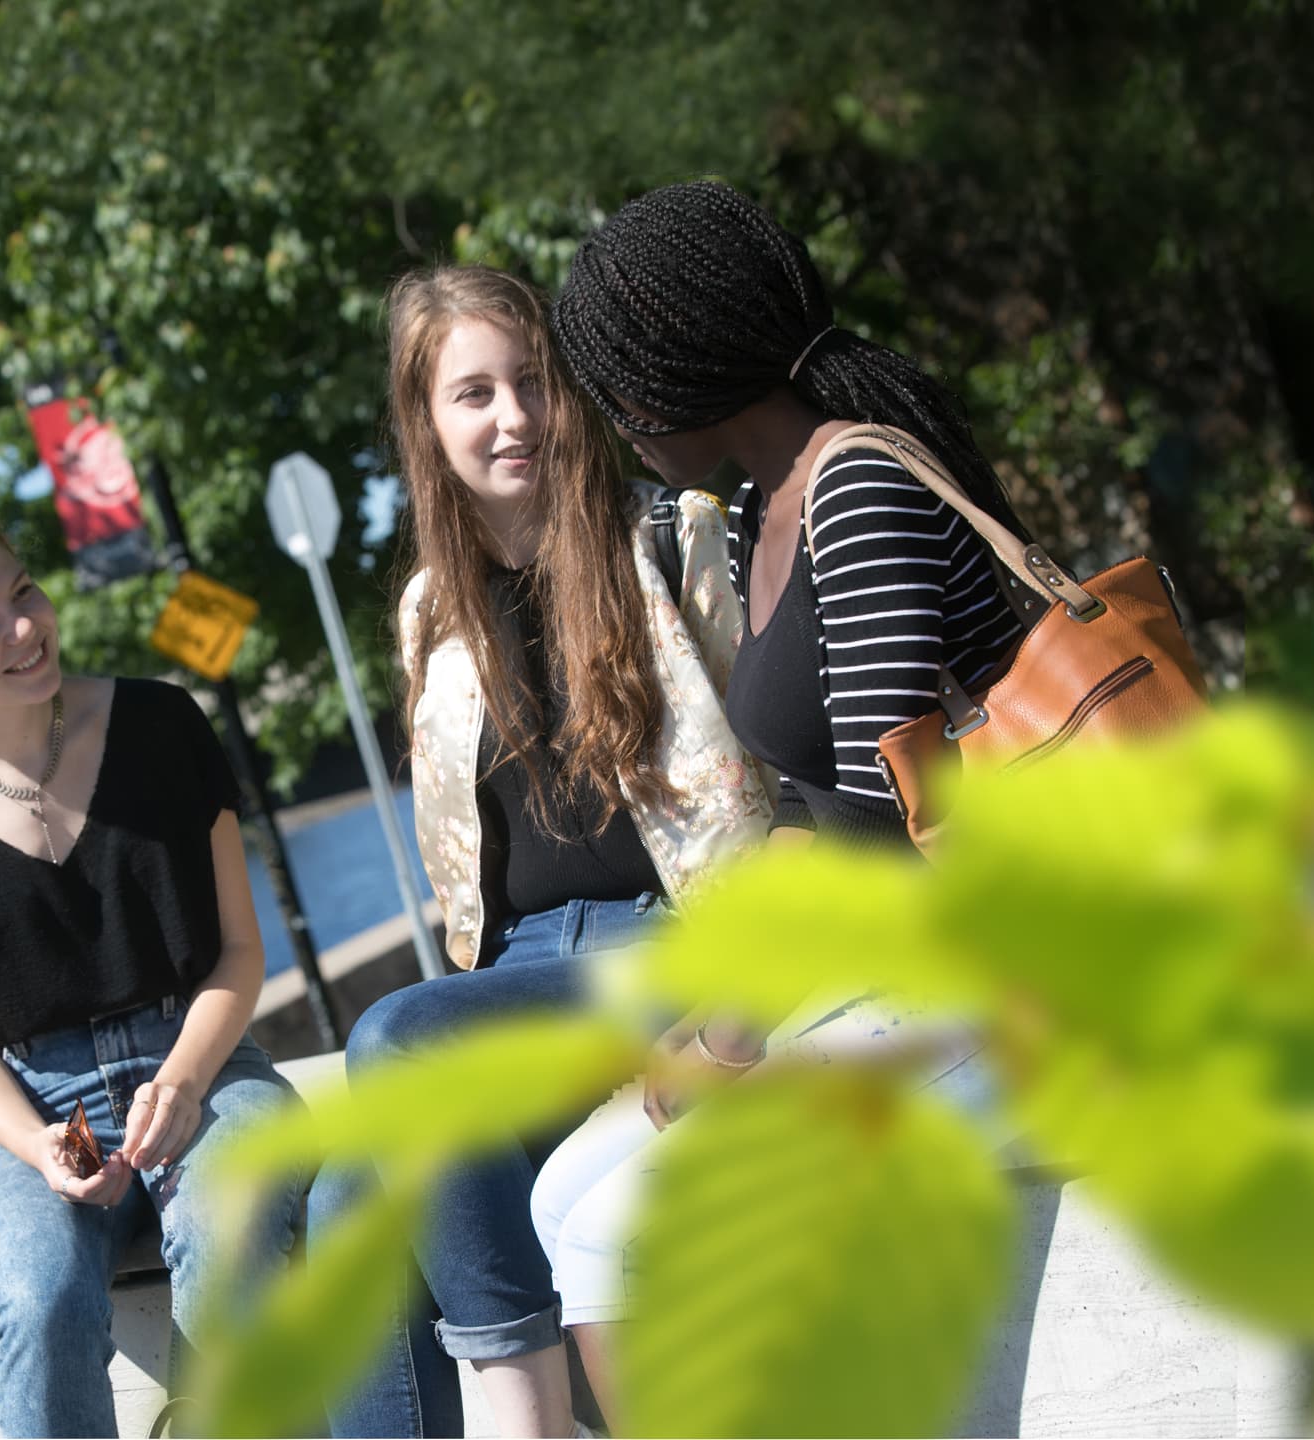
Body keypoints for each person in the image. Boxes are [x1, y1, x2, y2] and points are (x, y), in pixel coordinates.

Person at [533, 179, 1026, 1420]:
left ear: (677, 369)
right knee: (560, 1198)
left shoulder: (858, 493)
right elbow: (807, 810)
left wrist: (727, 1047)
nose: (617, 421)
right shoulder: (765, 507)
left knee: (629, 1229)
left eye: (618, 386)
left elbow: (870, 830)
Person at [326, 263, 774, 1439]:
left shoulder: (666, 536)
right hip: (521, 971)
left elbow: (772, 764)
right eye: (474, 394)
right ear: (427, 422)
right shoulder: (432, 608)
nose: (513, 417)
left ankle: (529, 1419)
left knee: (396, 1038)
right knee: (343, 1202)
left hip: (672, 941)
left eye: (531, 382)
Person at [0, 501, 305, 1438]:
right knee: (40, 1295)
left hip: (208, 1068)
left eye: (23, 592)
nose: (26, 627)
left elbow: (240, 952)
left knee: (225, 1230)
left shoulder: (164, 723)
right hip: (38, 1105)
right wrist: (37, 1144)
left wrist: (183, 1083)